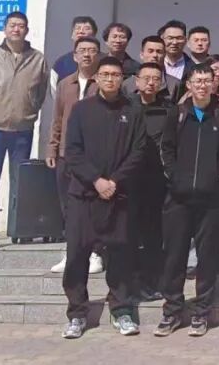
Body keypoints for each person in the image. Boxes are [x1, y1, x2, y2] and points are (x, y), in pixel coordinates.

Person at [60, 57, 145, 339]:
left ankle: (121, 310)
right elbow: (72, 151)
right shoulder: (81, 110)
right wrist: (96, 180)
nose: (110, 79)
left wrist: (114, 181)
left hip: (118, 195)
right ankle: (77, 313)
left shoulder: (132, 111)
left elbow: (138, 152)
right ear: (96, 78)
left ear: (123, 79)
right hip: (84, 195)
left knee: (120, 255)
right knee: (77, 255)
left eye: (116, 75)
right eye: (105, 74)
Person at [155, 63, 219, 337]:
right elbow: (166, 149)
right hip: (178, 198)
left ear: (214, 84)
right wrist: (174, 179)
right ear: (188, 84)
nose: (202, 85)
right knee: (174, 256)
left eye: (207, 81)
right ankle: (172, 310)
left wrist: (216, 180)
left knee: (207, 257)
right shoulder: (177, 113)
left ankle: (202, 312)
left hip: (211, 200)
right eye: (197, 81)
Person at [0, 12, 49, 210]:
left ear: (27, 30)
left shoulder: (37, 59)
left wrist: (30, 109)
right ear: (4, 29)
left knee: (19, 179)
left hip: (23, 129)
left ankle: (16, 225)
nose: (16, 29)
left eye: (21, 26)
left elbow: (41, 91)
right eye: (12, 25)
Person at [47, 37, 103, 275]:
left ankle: (95, 252)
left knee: (94, 205)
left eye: (92, 50)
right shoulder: (64, 84)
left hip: (94, 154)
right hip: (66, 153)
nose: (87, 55)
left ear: (98, 55)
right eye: (82, 50)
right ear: (74, 56)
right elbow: (57, 119)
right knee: (68, 205)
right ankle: (72, 250)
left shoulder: (102, 83)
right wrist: (52, 147)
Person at [124, 62, 172, 300]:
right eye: (146, 78)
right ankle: (128, 283)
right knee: (128, 233)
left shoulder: (169, 110)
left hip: (157, 181)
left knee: (154, 234)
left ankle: (151, 282)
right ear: (136, 81)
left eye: (156, 79)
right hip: (128, 181)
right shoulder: (125, 108)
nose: (151, 83)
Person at [126, 35, 182, 101]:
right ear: (141, 54)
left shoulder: (174, 85)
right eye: (150, 51)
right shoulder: (128, 84)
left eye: (159, 52)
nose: (155, 55)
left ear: (164, 55)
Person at [52, 16, 98, 83]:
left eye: (86, 29)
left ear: (94, 35)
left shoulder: (103, 61)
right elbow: (54, 88)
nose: (81, 31)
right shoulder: (61, 63)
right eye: (77, 28)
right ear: (72, 35)